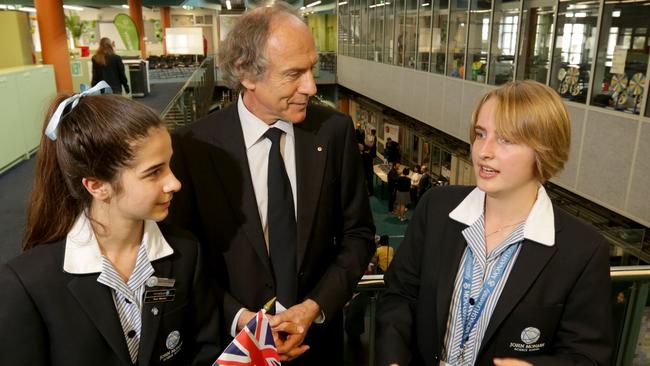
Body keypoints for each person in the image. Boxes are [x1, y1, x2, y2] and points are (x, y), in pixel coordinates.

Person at [168, 3, 375, 365]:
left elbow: (357, 234)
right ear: (247, 73)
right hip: (230, 348)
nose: (311, 86)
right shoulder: (192, 148)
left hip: (317, 345)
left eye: (311, 68)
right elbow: (183, 256)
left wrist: (315, 306)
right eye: (294, 73)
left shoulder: (334, 131)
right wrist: (241, 320)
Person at [376, 80, 612, 366]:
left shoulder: (582, 250)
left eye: (506, 139)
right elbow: (399, 295)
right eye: (480, 134)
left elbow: (588, 355)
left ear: (544, 149)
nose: (483, 151)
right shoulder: (437, 207)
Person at [0, 84, 220, 365]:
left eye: (169, 165)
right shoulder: (28, 283)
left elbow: (203, 348)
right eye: (153, 172)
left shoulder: (186, 252)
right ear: (97, 186)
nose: (175, 182)